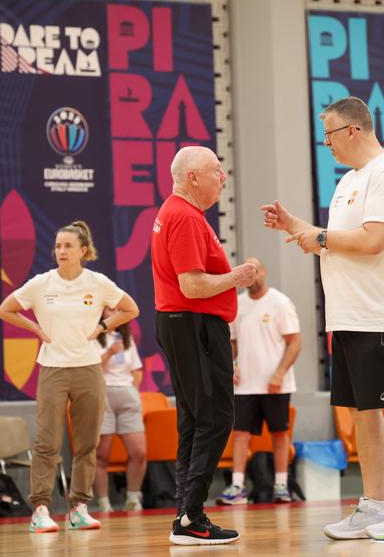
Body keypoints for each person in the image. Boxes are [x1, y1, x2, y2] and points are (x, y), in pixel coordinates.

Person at [261, 96, 384, 541]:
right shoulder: (349, 182)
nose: (327, 144)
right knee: (365, 411)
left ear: (353, 131)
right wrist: (293, 225)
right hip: (351, 314)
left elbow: (374, 240)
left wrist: (317, 235)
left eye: (330, 134)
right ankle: (373, 506)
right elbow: (337, 240)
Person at [0, 221, 139, 533]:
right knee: (47, 441)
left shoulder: (97, 282)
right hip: (53, 369)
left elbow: (130, 309)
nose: (61, 251)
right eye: (58, 246)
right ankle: (41, 509)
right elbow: (5, 310)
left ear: (83, 251)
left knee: (87, 443)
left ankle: (79, 507)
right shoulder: (41, 283)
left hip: (89, 369)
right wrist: (35, 328)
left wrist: (102, 327)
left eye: (68, 246)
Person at [151, 146, 256, 545]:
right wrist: (237, 277)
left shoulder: (180, 214)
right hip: (191, 323)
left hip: (184, 324)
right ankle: (191, 515)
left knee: (196, 420)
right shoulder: (184, 217)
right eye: (216, 170)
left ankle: (186, 513)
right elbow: (192, 285)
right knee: (214, 418)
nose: (223, 177)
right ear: (193, 177)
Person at [216, 257, 301, 505]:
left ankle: (281, 485)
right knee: (240, 434)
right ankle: (237, 486)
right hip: (245, 384)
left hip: (276, 384)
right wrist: (230, 366)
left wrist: (279, 373)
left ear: (264, 272)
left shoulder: (280, 302)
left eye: (254, 269)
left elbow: (295, 342)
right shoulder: (237, 305)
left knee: (279, 434)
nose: (251, 274)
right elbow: (232, 343)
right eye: (245, 270)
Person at [93, 317, 147, 512]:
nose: (115, 313)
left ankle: (133, 498)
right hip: (103, 393)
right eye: (110, 309)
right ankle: (103, 503)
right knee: (101, 455)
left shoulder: (126, 338)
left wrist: (134, 390)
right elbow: (92, 369)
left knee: (139, 452)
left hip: (127, 394)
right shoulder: (92, 337)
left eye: (118, 309)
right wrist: (109, 352)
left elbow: (136, 369)